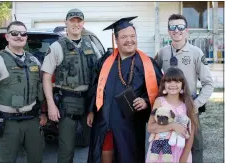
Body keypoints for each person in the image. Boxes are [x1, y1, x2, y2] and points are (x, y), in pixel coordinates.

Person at [86, 16, 163, 163]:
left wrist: (146, 101)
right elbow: (95, 85)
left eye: (132, 36)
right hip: (104, 119)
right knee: (103, 153)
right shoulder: (105, 60)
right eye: (124, 37)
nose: (129, 40)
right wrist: (91, 110)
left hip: (129, 124)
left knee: (128, 156)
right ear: (116, 40)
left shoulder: (147, 64)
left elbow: (161, 90)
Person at [0, 21, 47, 163]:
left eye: (23, 33)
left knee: (36, 159)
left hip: (32, 120)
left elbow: (40, 89)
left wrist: (43, 112)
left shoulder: (33, 61)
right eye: (14, 33)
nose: (19, 36)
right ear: (7, 36)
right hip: (8, 123)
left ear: (26, 37)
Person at [41, 8, 102, 163]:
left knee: (93, 145)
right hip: (67, 103)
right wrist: (50, 105)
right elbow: (46, 77)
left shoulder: (91, 45)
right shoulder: (57, 47)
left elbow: (101, 72)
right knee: (66, 149)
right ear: (65, 23)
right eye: (72, 21)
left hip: (89, 103)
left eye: (79, 21)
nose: (76, 24)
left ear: (83, 23)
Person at [155, 14, 214, 163]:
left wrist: (197, 103)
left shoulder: (196, 53)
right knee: (169, 144)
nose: (176, 30)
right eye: (172, 27)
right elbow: (154, 77)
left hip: (189, 106)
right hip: (169, 108)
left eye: (180, 27)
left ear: (186, 30)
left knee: (195, 144)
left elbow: (208, 83)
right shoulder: (163, 53)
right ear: (168, 31)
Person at [146, 67, 198, 163]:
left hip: (180, 151)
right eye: (169, 81)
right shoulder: (159, 102)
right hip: (160, 152)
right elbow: (150, 127)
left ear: (183, 85)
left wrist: (184, 156)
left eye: (177, 81)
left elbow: (191, 132)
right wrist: (173, 126)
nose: (173, 85)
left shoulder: (188, 103)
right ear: (164, 84)